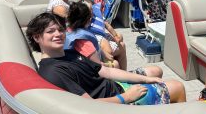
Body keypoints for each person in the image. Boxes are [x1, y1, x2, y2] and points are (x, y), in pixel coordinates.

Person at [26, 12, 186, 104]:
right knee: (177, 87)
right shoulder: (53, 71)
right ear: (36, 37)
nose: (58, 34)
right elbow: (86, 106)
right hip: (114, 100)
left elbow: (105, 71)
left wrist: (144, 79)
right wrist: (125, 98)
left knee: (155, 71)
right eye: (50, 31)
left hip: (114, 86)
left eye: (60, 30)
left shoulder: (69, 53)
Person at [67, 0, 127, 70]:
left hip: (93, 57)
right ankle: (122, 74)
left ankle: (122, 71)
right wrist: (106, 58)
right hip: (94, 67)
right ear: (87, 19)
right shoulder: (83, 37)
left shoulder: (69, 31)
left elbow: (107, 26)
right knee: (117, 57)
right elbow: (96, 63)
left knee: (120, 40)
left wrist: (115, 36)